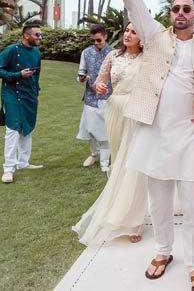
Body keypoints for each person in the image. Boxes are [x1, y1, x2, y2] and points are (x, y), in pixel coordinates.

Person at [101, 0, 194, 290]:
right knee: (159, 201)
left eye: (186, 8)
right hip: (153, 130)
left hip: (190, 134)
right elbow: (133, 1)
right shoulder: (153, 36)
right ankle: (164, 251)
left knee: (193, 204)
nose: (180, 13)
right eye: (175, 8)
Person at [74, 22, 149, 245]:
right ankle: (120, 208)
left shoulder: (149, 58)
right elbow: (99, 82)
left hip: (137, 111)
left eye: (134, 32)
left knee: (133, 164)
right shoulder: (113, 56)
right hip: (115, 110)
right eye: (127, 30)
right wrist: (99, 87)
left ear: (142, 37)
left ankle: (134, 219)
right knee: (118, 161)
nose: (128, 34)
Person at [0, 22, 44, 184]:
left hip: (29, 94)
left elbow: (36, 76)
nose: (40, 37)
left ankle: (23, 162)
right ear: (26, 35)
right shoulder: (11, 50)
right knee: (13, 129)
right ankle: (8, 168)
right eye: (37, 35)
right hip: (11, 94)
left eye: (41, 35)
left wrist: (36, 93)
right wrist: (18, 75)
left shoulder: (37, 53)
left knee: (27, 128)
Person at [77, 24, 115, 172]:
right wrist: (82, 79)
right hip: (90, 98)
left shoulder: (114, 53)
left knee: (105, 131)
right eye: (93, 40)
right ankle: (94, 154)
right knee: (90, 130)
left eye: (98, 40)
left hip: (108, 97)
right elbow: (80, 73)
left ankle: (104, 161)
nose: (96, 43)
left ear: (105, 36)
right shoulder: (86, 53)